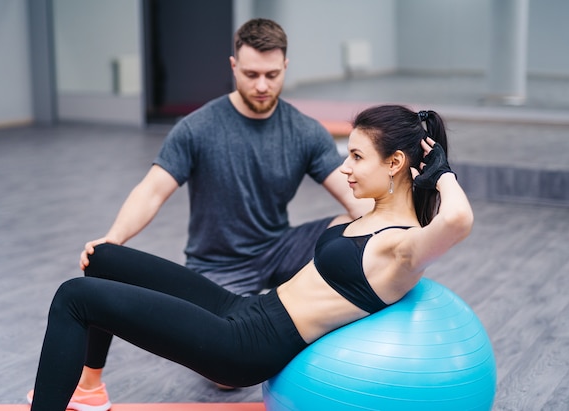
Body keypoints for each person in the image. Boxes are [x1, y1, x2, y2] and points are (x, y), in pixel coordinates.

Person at [27, 105, 473, 411]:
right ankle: (88, 392)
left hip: (245, 348)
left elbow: (456, 221)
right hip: (243, 309)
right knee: (104, 258)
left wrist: (442, 175)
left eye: (357, 156)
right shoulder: (368, 214)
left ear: (395, 163)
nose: (346, 168)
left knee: (74, 297)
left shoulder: (402, 246)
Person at [79, 18, 366, 297]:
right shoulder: (197, 128)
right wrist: (113, 239)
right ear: (234, 67)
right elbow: (151, 192)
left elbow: (353, 196)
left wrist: (397, 229)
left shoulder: (305, 131)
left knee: (352, 232)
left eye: (272, 75)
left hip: (279, 248)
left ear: (285, 67)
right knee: (237, 332)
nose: (263, 86)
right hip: (218, 266)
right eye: (252, 75)